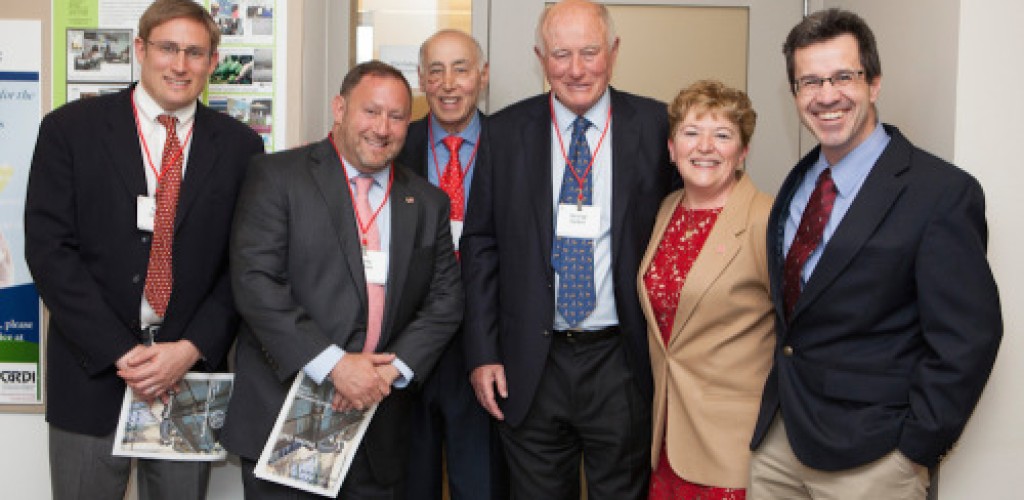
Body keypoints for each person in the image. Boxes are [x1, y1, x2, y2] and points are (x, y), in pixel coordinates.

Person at [748, 8, 1002, 499]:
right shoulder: (798, 183)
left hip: (874, 459)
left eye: (844, 76)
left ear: (874, 83)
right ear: (795, 94)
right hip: (782, 445)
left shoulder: (939, 193)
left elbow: (969, 338)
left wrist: (914, 449)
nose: (827, 96)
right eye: (810, 82)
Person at [23, 0, 264, 498]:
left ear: (213, 62)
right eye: (168, 48)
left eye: (195, 52)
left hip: (187, 375)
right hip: (91, 372)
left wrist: (192, 348)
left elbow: (242, 265)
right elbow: (49, 252)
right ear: (139, 50)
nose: (180, 65)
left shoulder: (241, 147)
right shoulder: (71, 129)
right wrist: (122, 351)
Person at [220, 60, 463, 499]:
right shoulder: (278, 177)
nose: (382, 128)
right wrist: (336, 366)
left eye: (396, 117)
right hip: (286, 419)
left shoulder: (427, 201)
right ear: (339, 108)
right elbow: (256, 284)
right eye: (370, 112)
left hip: (379, 423)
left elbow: (445, 300)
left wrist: (387, 373)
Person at [461, 1, 675, 497]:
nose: (576, 69)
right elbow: (480, 246)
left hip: (622, 361)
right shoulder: (505, 133)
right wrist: (483, 351)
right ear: (541, 57)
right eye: (561, 54)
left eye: (589, 52)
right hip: (529, 364)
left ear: (614, 52)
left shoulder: (659, 127)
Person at [640, 80, 773, 500]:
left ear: (743, 151)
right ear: (671, 147)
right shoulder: (668, 208)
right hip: (666, 433)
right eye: (691, 132)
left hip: (730, 441)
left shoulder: (766, 219)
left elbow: (799, 332)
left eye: (723, 134)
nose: (705, 147)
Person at [396, 30, 508, 500]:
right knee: (407, 486)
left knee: (481, 486)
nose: (448, 83)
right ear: (420, 80)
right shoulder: (393, 144)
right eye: (435, 71)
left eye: (461, 69)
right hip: (406, 351)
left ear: (482, 76)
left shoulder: (515, 144)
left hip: (488, 352)